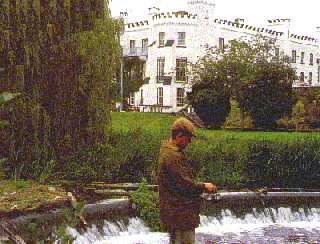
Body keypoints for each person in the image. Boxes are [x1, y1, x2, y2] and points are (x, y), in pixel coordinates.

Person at [158, 117, 217, 244]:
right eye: (188, 138)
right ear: (179, 135)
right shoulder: (171, 156)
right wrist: (204, 186)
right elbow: (185, 185)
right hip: (179, 216)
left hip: (178, 215)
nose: (189, 142)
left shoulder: (169, 152)